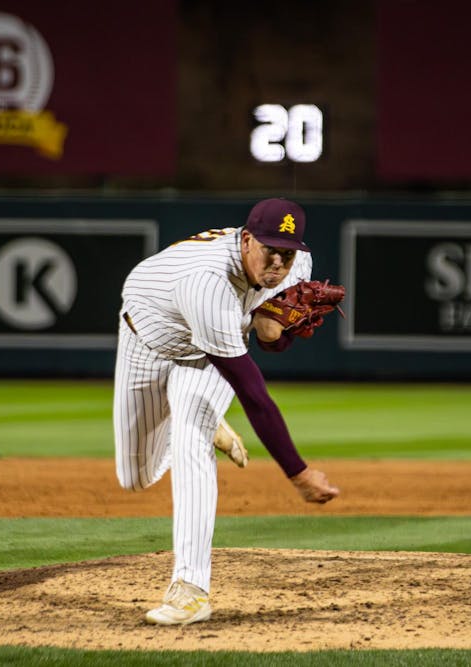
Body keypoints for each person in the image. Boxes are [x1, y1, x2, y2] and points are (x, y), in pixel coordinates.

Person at [113, 197, 340, 626]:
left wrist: (275, 333)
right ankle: (197, 414)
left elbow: (271, 338)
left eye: (286, 253)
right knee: (135, 477)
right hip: (148, 339)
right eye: (268, 248)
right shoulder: (208, 280)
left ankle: (190, 590)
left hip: (208, 354)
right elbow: (252, 392)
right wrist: (298, 472)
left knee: (190, 437)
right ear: (247, 239)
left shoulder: (298, 265)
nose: (277, 262)